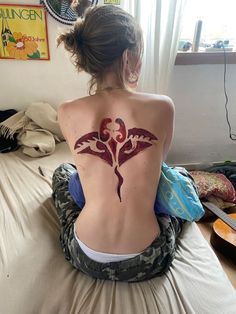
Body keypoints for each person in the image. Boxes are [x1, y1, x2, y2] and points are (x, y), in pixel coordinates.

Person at [52, 5, 183, 282]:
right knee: (179, 178)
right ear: (128, 56)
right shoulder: (163, 107)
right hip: (148, 259)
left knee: (63, 174)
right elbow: (160, 168)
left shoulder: (66, 111)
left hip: (86, 256)